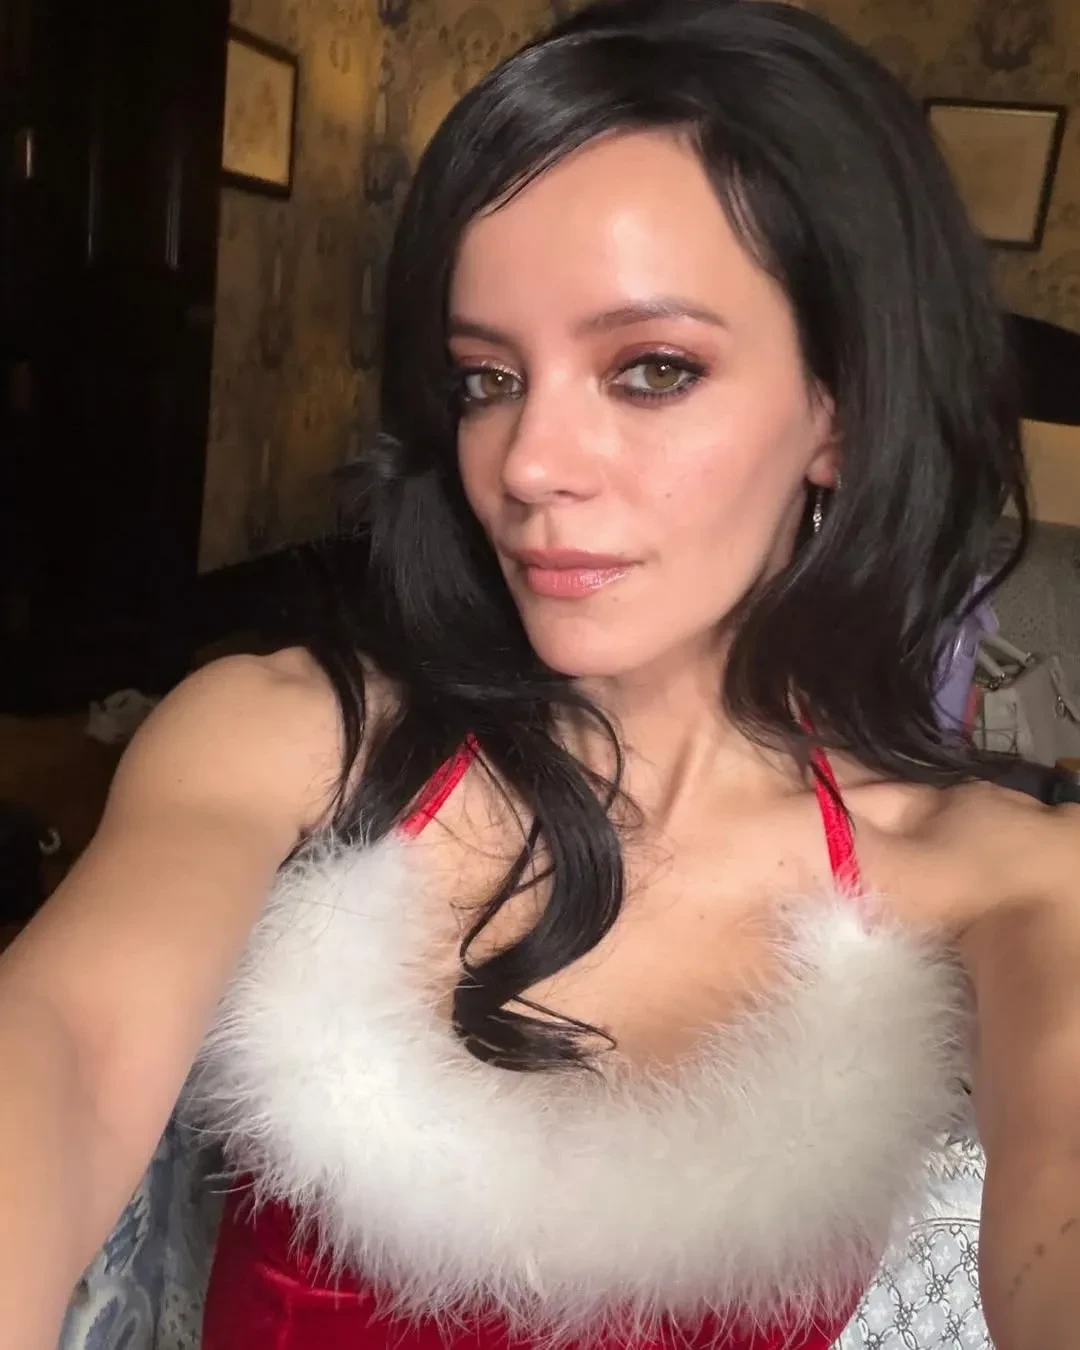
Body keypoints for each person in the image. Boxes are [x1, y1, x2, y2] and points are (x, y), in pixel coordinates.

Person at [2, 2, 1078, 1347]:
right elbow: (65, 1045)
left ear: (838, 412)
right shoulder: (283, 739)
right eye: (485, 380)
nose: (526, 462)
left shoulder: (1006, 878)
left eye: (653, 369)